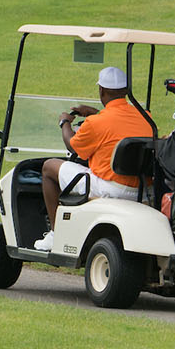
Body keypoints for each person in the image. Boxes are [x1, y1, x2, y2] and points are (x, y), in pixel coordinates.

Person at [34, 65, 151, 251]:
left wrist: (64, 122)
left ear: (102, 90)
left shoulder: (96, 123)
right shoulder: (146, 117)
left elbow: (72, 145)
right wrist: (95, 112)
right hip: (141, 188)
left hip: (110, 186)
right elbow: (117, 124)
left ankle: (56, 234)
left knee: (49, 168)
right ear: (126, 91)